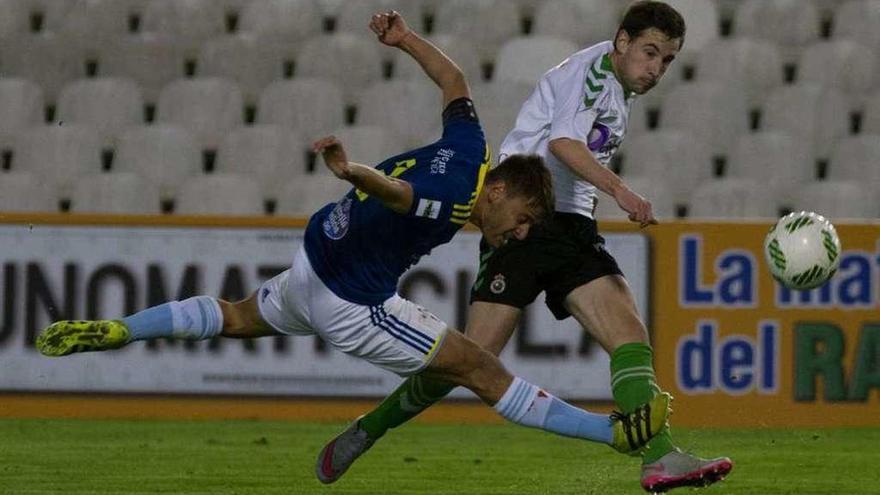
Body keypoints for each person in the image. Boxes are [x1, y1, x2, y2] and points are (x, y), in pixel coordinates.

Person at [35, 11, 671, 484]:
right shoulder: (454, 198)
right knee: (480, 369)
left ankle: (122, 330)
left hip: (310, 265)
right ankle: (612, 434)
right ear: (500, 192)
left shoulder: (472, 144)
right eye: (524, 219)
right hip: (351, 302)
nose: (521, 233)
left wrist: (403, 39)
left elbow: (451, 77)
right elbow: (397, 194)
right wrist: (352, 171)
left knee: (231, 316)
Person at [320, 2, 734, 493]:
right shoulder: (594, 73)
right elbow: (563, 143)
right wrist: (621, 191)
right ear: (622, 41)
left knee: (629, 336)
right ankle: (371, 428)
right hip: (526, 218)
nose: (656, 68)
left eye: (666, 60)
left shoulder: (618, 86)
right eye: (649, 52)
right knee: (470, 362)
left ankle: (660, 458)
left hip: (573, 225)